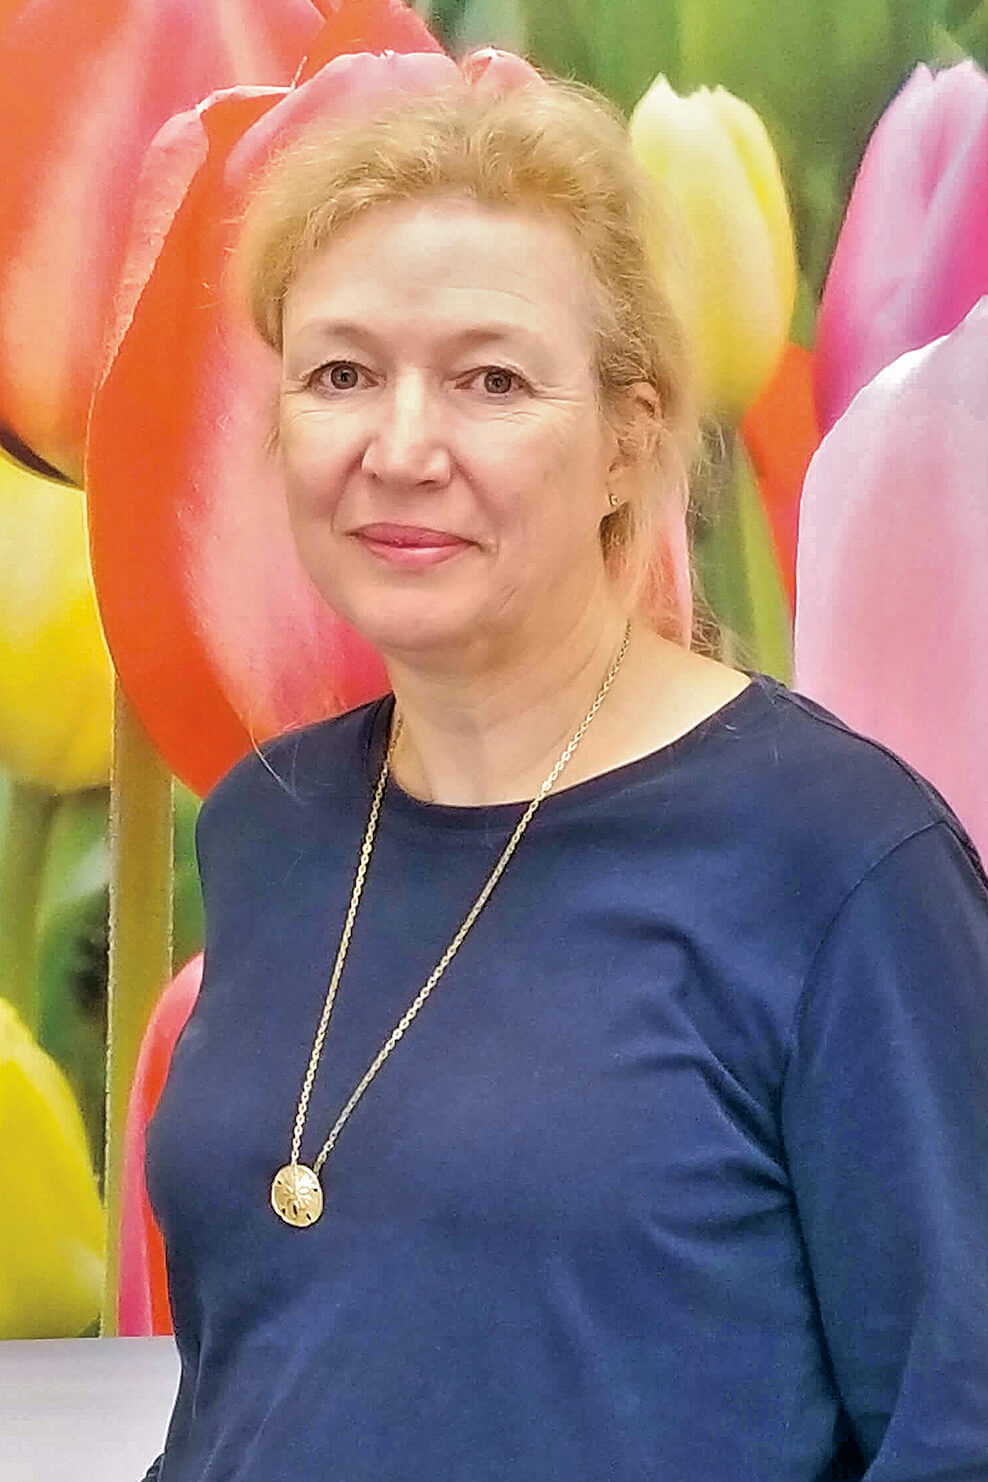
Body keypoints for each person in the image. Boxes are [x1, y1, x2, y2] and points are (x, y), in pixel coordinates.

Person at [140, 74, 988, 1481]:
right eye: (341, 374)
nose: (401, 450)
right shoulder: (268, 827)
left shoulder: (842, 862)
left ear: (626, 443)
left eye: (491, 381)